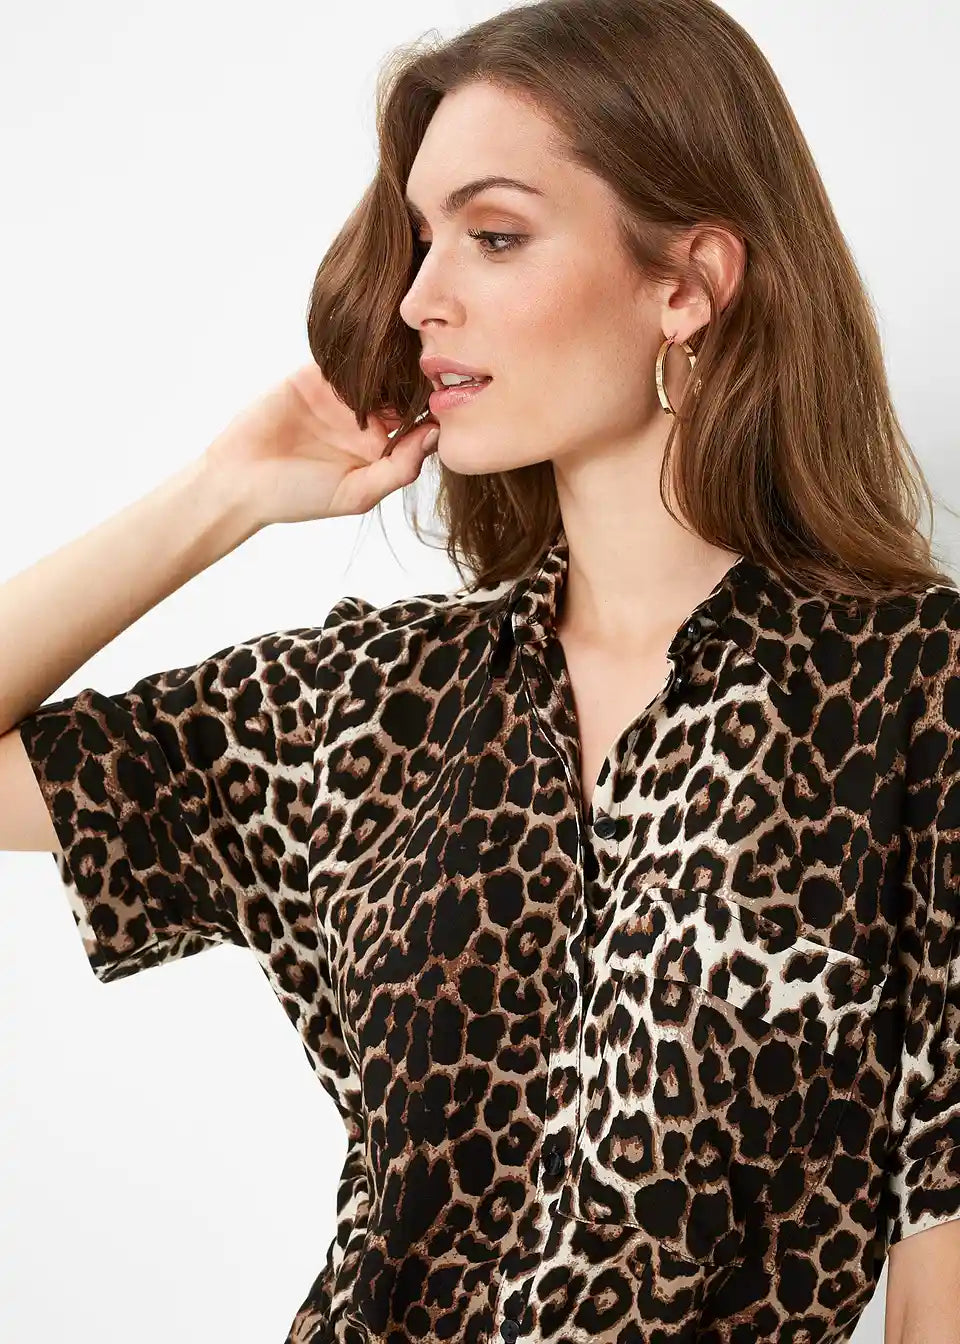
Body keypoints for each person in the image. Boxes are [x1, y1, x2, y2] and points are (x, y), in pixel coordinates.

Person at [2, 0, 959, 1340]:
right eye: (422, 239)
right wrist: (223, 495)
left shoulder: (916, 692)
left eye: (494, 235)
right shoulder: (381, 704)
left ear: (687, 282)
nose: (417, 299)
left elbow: (938, 1269)